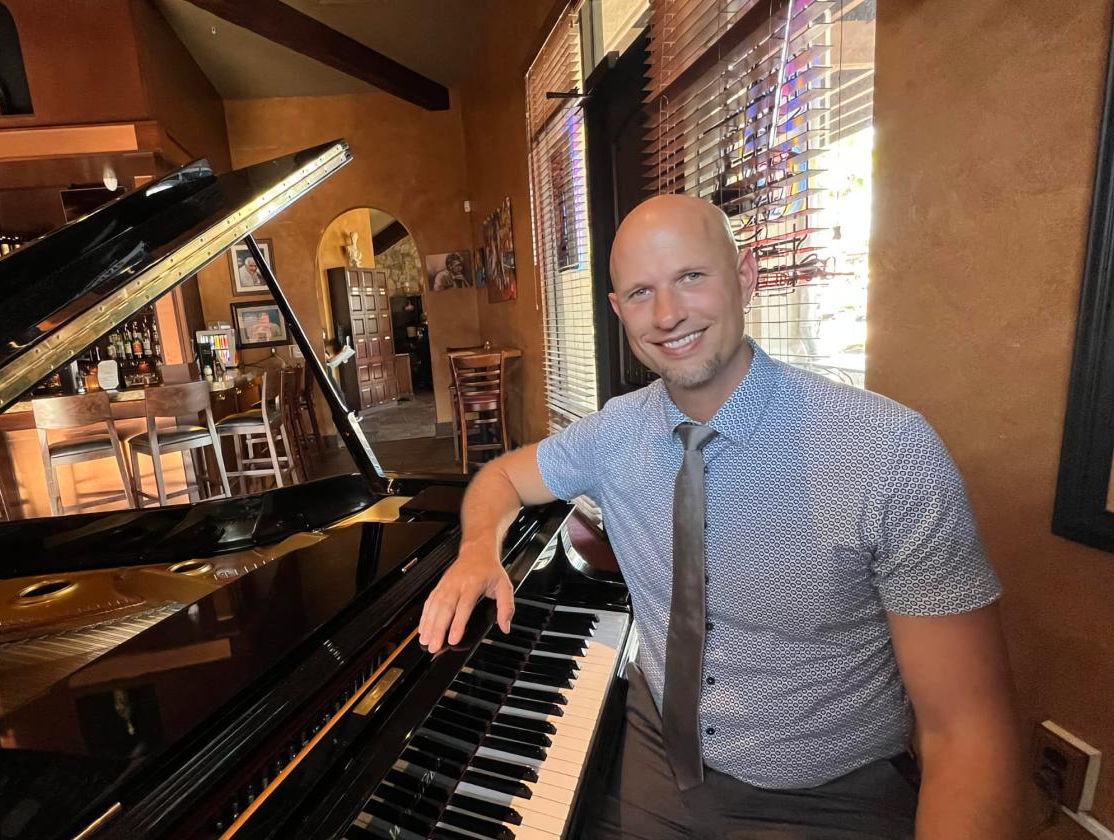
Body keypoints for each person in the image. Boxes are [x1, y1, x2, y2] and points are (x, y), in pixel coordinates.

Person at [417, 195, 1022, 839]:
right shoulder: (613, 434)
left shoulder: (886, 452)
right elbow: (502, 475)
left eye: (692, 277)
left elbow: (966, 732)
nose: (669, 314)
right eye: (641, 292)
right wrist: (478, 548)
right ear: (619, 311)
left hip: (827, 797)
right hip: (655, 758)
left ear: (746, 276)